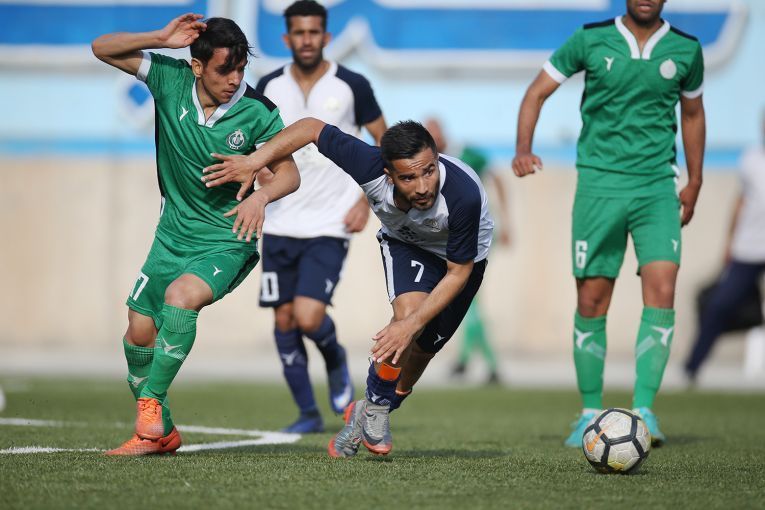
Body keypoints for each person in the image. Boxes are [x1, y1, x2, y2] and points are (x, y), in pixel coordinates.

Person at [202, 117, 494, 457]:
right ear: (388, 174)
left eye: (429, 171)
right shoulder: (367, 163)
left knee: (420, 354)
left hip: (460, 262)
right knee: (407, 318)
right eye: (408, 178)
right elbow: (311, 128)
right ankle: (378, 407)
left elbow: (458, 272)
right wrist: (255, 161)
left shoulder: (463, 195)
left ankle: (366, 409)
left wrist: (412, 326)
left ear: (436, 159)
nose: (423, 186)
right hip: (407, 244)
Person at [92, 14, 300, 455]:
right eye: (225, 69)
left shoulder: (258, 112)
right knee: (138, 332)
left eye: (240, 69)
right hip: (171, 236)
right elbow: (101, 48)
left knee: (180, 298)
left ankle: (150, 402)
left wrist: (261, 197)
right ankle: (162, 431)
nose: (234, 79)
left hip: (228, 239)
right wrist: (159, 38)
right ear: (198, 66)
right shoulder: (168, 79)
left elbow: (289, 175)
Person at [512, 0, 705, 447]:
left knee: (663, 288)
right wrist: (523, 148)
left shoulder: (686, 49)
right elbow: (536, 92)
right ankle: (588, 412)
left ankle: (645, 410)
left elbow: (693, 114)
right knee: (592, 298)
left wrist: (695, 180)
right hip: (599, 186)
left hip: (656, 187)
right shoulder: (590, 39)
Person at [253, 0, 387, 433]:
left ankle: (335, 358)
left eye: (314, 32)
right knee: (283, 320)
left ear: (326, 37)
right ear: (286, 38)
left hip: (330, 222)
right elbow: (253, 141)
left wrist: (366, 201)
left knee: (309, 317)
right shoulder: (268, 86)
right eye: (299, 32)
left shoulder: (352, 85)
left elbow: (386, 145)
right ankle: (307, 413)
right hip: (278, 221)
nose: (307, 39)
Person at [424, 118, 510, 384]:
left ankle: (487, 364)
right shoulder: (430, 161)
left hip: (476, 233)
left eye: (434, 132)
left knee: (466, 295)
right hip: (452, 236)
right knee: (467, 298)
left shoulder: (466, 153)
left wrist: (506, 220)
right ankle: (467, 360)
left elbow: (497, 177)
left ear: (443, 133)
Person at [685, 114, 765, 380]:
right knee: (719, 305)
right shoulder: (751, 159)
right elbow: (741, 201)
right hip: (748, 247)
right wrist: (729, 241)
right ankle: (691, 368)